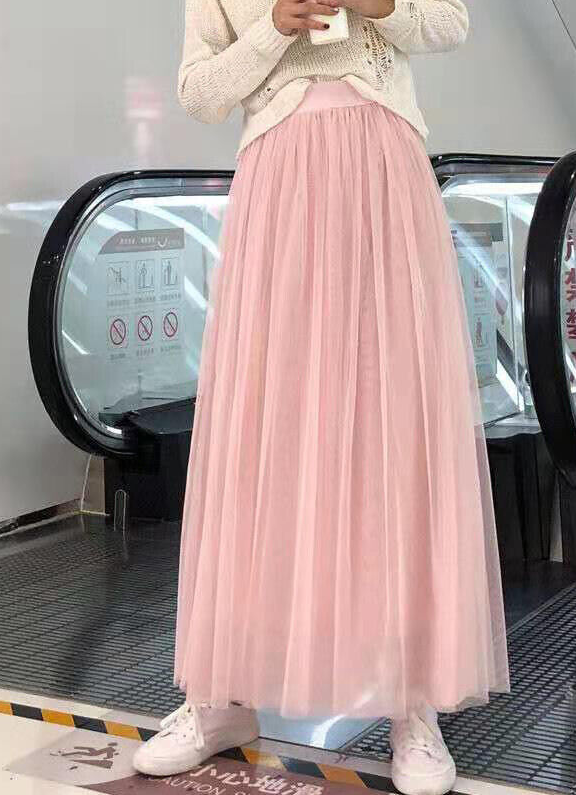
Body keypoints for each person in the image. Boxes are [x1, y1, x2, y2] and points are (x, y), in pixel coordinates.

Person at [133, 2, 510, 793]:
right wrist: (274, 25)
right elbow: (200, 94)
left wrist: (380, 7)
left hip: (385, 175)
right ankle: (220, 695)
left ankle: (413, 702)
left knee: (394, 424)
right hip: (278, 182)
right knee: (257, 424)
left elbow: (450, 24)